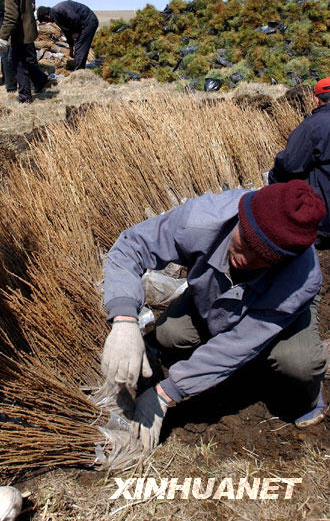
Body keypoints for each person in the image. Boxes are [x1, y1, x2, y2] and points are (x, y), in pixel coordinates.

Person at [101, 181, 328, 453]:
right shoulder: (201, 219)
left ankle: (310, 396)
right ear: (241, 217)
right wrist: (124, 319)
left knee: (298, 362)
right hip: (216, 288)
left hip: (276, 308)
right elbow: (131, 247)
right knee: (169, 334)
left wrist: (166, 393)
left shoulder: (299, 281)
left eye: (262, 257)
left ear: (280, 261)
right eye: (245, 242)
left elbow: (238, 344)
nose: (245, 259)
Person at [269, 78, 330, 249]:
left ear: (316, 99)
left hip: (324, 222)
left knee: (278, 175)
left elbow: (289, 164)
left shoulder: (312, 126)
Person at [0, 0, 48, 104]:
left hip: (19, 32)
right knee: (22, 60)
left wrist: (3, 36)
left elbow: (11, 15)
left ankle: (25, 96)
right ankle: (40, 80)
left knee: (17, 63)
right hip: (24, 29)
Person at [36, 1, 98, 70]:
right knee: (78, 48)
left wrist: (76, 31)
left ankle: (79, 72)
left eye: (45, 20)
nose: (47, 22)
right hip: (83, 24)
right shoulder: (56, 17)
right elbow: (67, 33)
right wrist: (71, 49)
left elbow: (74, 17)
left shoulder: (57, 10)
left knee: (81, 47)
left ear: (46, 16)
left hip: (88, 21)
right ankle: (79, 68)